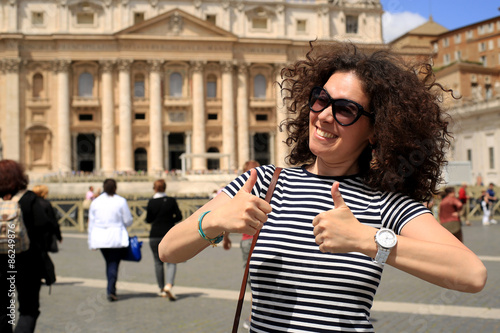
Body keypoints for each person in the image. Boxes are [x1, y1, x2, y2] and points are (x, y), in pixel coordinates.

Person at [158, 41, 487, 332]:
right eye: (321, 100)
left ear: (377, 130)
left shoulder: (386, 205)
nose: (325, 116)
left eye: (346, 110)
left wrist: (367, 239)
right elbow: (168, 249)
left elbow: (472, 274)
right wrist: (212, 222)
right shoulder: (262, 183)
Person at [0, 160, 55, 333]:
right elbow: (45, 229)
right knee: (28, 310)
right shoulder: (30, 199)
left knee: (3, 310)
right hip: (27, 261)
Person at [222, 160, 260, 330]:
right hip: (264, 239)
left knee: (253, 279)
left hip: (248, 239)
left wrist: (226, 236)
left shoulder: (241, 192)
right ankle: (257, 314)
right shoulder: (271, 188)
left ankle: (254, 315)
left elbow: (228, 214)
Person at [87, 179, 133, 302]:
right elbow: (128, 220)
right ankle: (111, 290)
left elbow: (91, 223)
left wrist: (91, 242)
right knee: (113, 263)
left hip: (100, 238)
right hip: (115, 237)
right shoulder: (120, 201)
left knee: (109, 263)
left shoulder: (96, 202)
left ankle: (110, 288)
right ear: (115, 188)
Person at [145, 179, 182, 300]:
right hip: (169, 234)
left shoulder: (151, 202)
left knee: (157, 262)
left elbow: (148, 219)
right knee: (172, 261)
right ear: (165, 188)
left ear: (154, 188)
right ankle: (169, 285)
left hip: (154, 235)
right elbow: (179, 216)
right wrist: (169, 220)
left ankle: (161, 289)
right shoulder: (171, 201)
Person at [32, 185, 63, 251]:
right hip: (45, 233)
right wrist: (59, 236)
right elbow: (53, 220)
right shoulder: (46, 204)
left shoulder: (30, 203)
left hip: (32, 233)